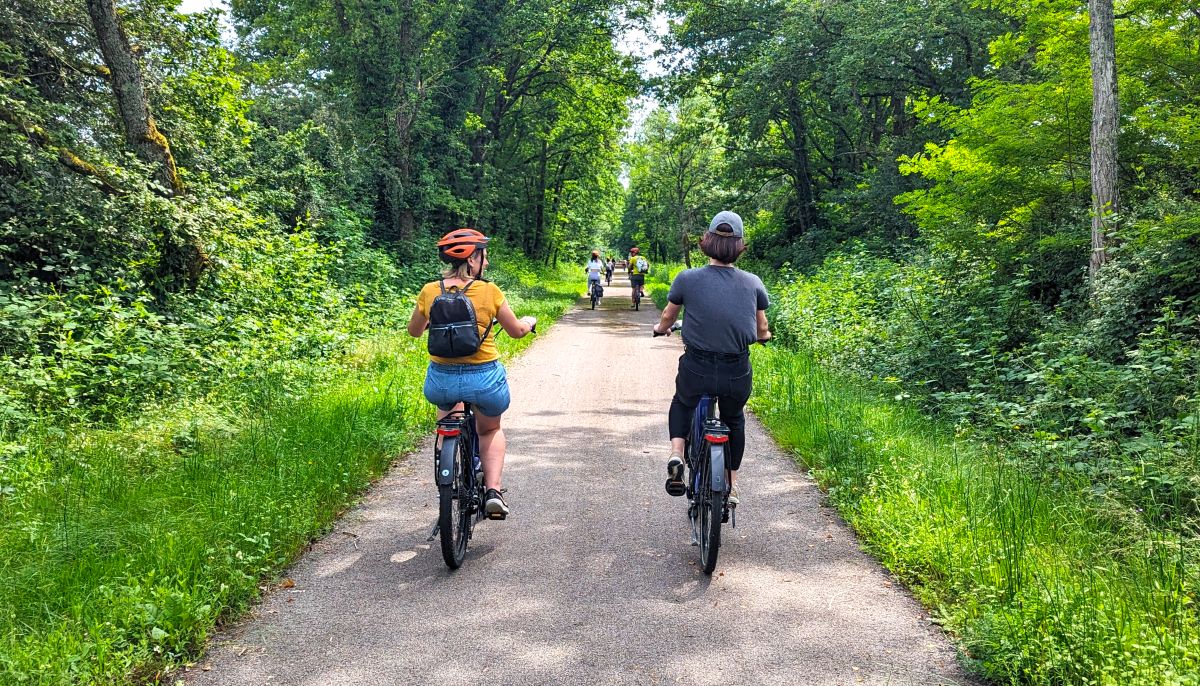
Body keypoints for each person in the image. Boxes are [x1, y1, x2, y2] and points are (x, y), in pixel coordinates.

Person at [407, 228, 537, 517]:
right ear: (472, 259)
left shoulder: (430, 291)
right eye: (484, 257)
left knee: (448, 416)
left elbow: (414, 331)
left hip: (442, 380)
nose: (486, 264)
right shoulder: (490, 291)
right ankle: (493, 491)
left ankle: (447, 470)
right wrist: (528, 323)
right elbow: (515, 332)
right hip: (484, 378)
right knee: (490, 429)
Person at [652, 211, 771, 506]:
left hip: (698, 366)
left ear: (706, 242)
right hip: (736, 370)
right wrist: (764, 338)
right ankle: (731, 485)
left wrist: (660, 329)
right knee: (734, 418)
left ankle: (677, 455)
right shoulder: (753, 282)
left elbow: (668, 315)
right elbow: (762, 328)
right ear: (739, 246)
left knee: (683, 402)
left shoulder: (688, 278)